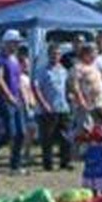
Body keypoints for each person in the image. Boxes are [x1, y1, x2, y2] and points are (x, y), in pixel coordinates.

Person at [34, 42, 72, 171]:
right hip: (48, 108)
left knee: (65, 136)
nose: (55, 56)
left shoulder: (63, 70)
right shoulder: (42, 71)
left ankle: (65, 162)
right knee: (48, 138)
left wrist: (70, 96)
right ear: (49, 55)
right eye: (53, 54)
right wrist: (43, 103)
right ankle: (48, 164)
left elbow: (67, 87)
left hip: (63, 107)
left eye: (58, 54)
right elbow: (36, 88)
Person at [0, 30, 26, 173]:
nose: (17, 45)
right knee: (9, 133)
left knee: (21, 133)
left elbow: (19, 80)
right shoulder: (1, 59)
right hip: (5, 100)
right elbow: (0, 80)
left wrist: (24, 97)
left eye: (18, 42)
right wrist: (9, 97)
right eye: (14, 42)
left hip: (17, 100)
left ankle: (16, 165)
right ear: (7, 42)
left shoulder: (15, 59)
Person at [69, 41, 102, 135]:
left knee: (97, 131)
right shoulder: (78, 67)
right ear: (86, 54)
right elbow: (74, 85)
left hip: (97, 104)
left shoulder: (94, 67)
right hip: (85, 105)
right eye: (93, 53)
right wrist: (81, 101)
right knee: (84, 131)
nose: (95, 55)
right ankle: (78, 148)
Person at [77, 107, 102, 194]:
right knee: (91, 178)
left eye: (93, 117)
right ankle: (93, 193)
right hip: (91, 155)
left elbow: (99, 136)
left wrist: (88, 135)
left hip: (99, 156)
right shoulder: (95, 128)